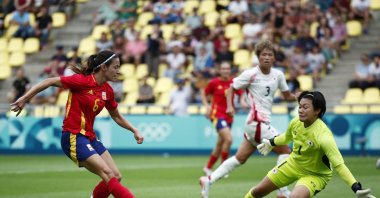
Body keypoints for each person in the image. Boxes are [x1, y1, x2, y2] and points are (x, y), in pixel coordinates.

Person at [10, 50, 144, 198]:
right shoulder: (81, 81)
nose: (118, 71)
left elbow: (116, 116)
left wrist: (134, 129)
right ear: (104, 67)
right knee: (107, 173)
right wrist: (25, 98)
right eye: (116, 67)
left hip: (90, 137)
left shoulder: (107, 91)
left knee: (116, 176)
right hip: (73, 136)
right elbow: (48, 81)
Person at [200, 40, 297, 198]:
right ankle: (283, 191)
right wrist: (230, 106)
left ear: (274, 58)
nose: (266, 57)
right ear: (258, 57)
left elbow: (287, 96)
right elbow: (231, 88)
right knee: (286, 150)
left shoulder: (278, 75)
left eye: (270, 54)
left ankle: (208, 180)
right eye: (263, 54)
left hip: (256, 125)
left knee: (240, 158)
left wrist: (298, 97)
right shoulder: (250, 74)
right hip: (257, 122)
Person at [245, 91, 375, 198]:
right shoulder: (296, 122)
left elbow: (339, 165)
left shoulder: (324, 136)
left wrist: (356, 187)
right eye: (300, 106)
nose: (300, 110)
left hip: (316, 174)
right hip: (293, 164)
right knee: (258, 191)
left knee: (295, 197)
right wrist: (271, 142)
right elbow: (287, 137)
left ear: (317, 110)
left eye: (305, 107)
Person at [201, 62, 247, 176]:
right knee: (229, 139)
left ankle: (208, 167)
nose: (225, 70)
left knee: (220, 142)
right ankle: (223, 168)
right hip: (217, 114)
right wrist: (207, 106)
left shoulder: (233, 82)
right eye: (223, 68)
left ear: (230, 70)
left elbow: (240, 93)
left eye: (227, 68)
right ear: (219, 70)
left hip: (229, 115)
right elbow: (204, 93)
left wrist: (242, 100)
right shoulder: (214, 83)